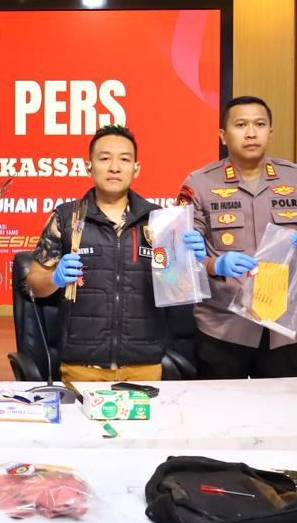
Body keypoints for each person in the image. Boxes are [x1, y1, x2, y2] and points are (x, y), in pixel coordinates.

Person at [26, 125, 206, 383]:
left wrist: (189, 263)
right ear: (89, 166)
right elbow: (33, 284)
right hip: (82, 366)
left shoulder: (158, 220)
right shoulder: (66, 218)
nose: (114, 167)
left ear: (136, 168)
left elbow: (176, 289)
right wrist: (55, 278)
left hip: (144, 365)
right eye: (104, 158)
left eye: (124, 159)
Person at [177, 95, 297, 378]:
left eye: (259, 124)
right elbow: (180, 260)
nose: (251, 133)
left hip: (283, 330)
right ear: (223, 135)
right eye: (241, 125)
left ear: (270, 132)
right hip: (222, 329)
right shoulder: (198, 184)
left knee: (285, 405)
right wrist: (214, 264)